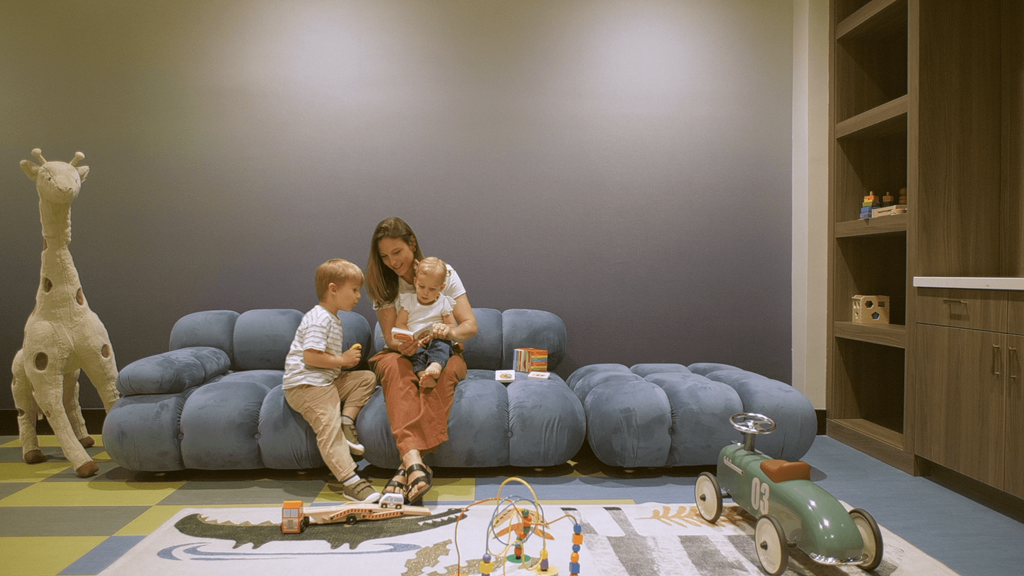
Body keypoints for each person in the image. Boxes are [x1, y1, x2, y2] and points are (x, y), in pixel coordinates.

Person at [366, 217, 478, 503]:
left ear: (412, 245)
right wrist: (407, 345)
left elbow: (468, 326)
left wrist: (446, 331)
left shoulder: (442, 273)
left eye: (397, 252)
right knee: (394, 367)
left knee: (442, 371)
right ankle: (415, 462)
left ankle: (408, 466)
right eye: (384, 256)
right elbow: (392, 338)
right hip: (403, 353)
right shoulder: (382, 283)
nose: (391, 261)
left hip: (442, 349)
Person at [282, 258, 380, 503]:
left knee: (366, 377)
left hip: (324, 381)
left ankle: (348, 421)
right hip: (308, 384)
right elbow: (311, 357)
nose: (359, 296)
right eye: (355, 290)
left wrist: (344, 362)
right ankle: (350, 481)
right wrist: (342, 359)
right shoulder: (319, 318)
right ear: (333, 289)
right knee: (328, 427)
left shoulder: (332, 317)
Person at [394, 256, 458, 387]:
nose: (425, 292)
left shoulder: (443, 302)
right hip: (417, 342)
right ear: (415, 281)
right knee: (415, 354)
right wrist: (410, 338)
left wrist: (443, 329)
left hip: (435, 338)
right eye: (421, 286)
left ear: (441, 287)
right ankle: (423, 374)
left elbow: (452, 325)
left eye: (432, 289)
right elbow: (400, 323)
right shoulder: (409, 301)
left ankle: (436, 364)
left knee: (442, 345)